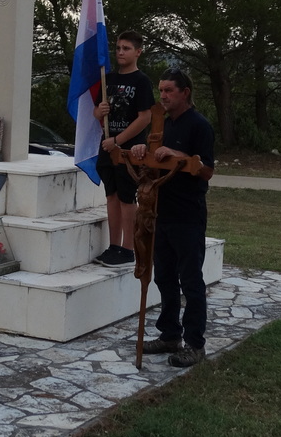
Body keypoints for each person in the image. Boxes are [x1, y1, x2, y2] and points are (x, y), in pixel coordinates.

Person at [131, 68, 215, 368]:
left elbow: (206, 170)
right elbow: (152, 166)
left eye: (169, 90)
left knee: (190, 280)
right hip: (160, 213)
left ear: (185, 92)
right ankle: (170, 335)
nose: (163, 96)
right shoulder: (160, 126)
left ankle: (194, 344)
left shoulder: (199, 126)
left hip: (187, 213)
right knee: (164, 277)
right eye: (161, 91)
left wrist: (178, 156)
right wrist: (142, 150)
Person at [92, 31, 155, 268]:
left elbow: (145, 117)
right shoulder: (108, 79)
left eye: (126, 48)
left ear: (138, 52)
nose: (120, 52)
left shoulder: (141, 81)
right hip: (107, 146)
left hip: (129, 150)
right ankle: (114, 246)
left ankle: (128, 248)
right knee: (111, 196)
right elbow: (96, 111)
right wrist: (100, 112)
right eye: (118, 48)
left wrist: (118, 140)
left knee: (127, 198)